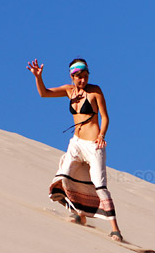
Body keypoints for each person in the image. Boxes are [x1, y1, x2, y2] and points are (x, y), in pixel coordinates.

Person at [28, 57, 123, 241]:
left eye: (86, 76)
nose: (83, 80)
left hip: (93, 145)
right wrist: (38, 77)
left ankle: (115, 229)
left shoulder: (95, 91)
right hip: (76, 143)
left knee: (100, 185)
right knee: (62, 178)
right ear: (73, 76)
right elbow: (44, 93)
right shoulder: (68, 91)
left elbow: (105, 117)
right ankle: (80, 215)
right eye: (79, 77)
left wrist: (102, 135)